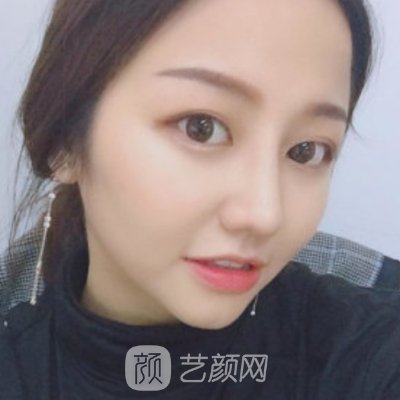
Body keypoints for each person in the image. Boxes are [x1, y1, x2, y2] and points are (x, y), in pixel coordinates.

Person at [0, 0, 399, 399]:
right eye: (201, 128)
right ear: (65, 142)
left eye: (306, 151)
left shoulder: (363, 351)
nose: (265, 214)